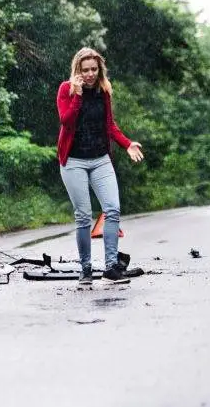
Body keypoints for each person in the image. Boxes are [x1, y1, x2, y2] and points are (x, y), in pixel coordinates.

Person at [56, 47, 144, 287]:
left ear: (99, 69)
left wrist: (127, 144)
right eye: (85, 70)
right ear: (77, 70)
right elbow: (66, 120)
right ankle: (85, 269)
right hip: (73, 161)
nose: (90, 74)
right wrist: (77, 95)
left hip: (100, 159)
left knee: (112, 209)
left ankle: (111, 267)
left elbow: (110, 125)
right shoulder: (66, 89)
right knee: (83, 217)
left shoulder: (103, 91)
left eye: (94, 69)